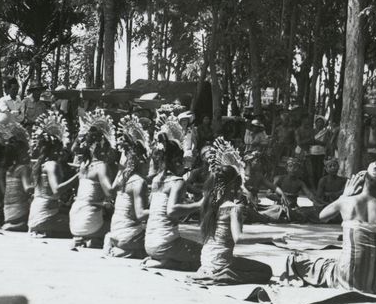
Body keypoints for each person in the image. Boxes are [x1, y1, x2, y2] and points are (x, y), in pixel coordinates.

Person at [285, 159, 376, 293]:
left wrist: (343, 196)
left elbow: (322, 216)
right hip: (374, 283)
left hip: (344, 277)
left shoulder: (346, 202)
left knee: (298, 260)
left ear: (364, 179)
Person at [192, 139, 273, 285]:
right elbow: (239, 238)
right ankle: (223, 275)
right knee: (266, 271)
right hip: (220, 263)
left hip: (205, 260)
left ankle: (215, 273)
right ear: (235, 185)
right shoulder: (233, 208)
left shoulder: (209, 203)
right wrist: (272, 237)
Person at [143, 132, 202, 270]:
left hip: (149, 244)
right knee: (206, 255)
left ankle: (161, 259)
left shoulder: (157, 179)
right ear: (177, 161)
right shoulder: (177, 182)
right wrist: (199, 205)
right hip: (165, 243)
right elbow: (172, 210)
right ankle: (166, 262)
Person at [104, 118, 151, 258]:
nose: (148, 165)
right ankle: (126, 249)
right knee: (156, 236)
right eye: (147, 162)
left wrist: (121, 168)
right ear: (141, 162)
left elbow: (111, 191)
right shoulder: (139, 182)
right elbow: (141, 214)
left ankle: (123, 248)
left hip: (115, 231)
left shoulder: (122, 177)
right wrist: (161, 209)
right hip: (127, 234)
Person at [69, 114, 116, 249]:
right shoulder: (101, 166)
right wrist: (122, 177)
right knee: (121, 226)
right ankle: (93, 237)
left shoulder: (84, 164)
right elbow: (110, 193)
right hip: (88, 219)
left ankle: (86, 237)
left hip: (75, 220)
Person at [28, 122, 77, 238]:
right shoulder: (52, 165)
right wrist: (78, 176)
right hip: (44, 215)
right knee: (76, 223)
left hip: (35, 214)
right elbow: (56, 190)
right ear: (56, 148)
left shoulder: (41, 164)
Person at [271, 157, 323, 222]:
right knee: (276, 212)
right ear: (286, 168)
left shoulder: (300, 183)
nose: (293, 169)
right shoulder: (279, 179)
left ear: (299, 169)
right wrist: (281, 198)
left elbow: (309, 195)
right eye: (290, 166)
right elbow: (268, 194)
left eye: (296, 167)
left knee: (307, 212)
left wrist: (317, 202)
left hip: (293, 207)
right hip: (279, 206)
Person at [1, 140, 33, 232]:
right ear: (20, 154)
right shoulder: (23, 168)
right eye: (27, 151)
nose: (29, 153)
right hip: (19, 212)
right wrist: (38, 186)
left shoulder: (9, 170)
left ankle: (13, 223)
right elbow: (27, 188)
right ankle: (21, 224)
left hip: (8, 213)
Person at [307, 116, 329, 186]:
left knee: (319, 171)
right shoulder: (312, 131)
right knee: (312, 171)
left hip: (321, 153)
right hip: (311, 153)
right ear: (315, 123)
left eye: (321, 122)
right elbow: (309, 141)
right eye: (318, 122)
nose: (319, 123)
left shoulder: (325, 132)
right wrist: (318, 142)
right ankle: (312, 185)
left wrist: (315, 141)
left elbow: (325, 143)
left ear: (323, 124)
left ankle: (318, 185)